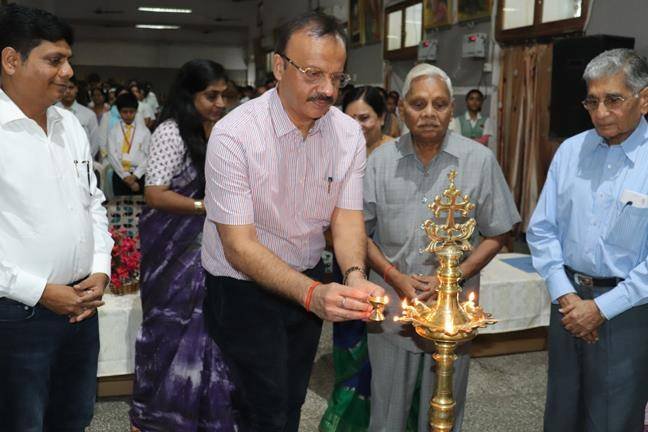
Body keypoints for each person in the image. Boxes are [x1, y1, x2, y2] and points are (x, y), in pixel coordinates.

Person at [201, 11, 385, 432]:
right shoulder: (235, 135)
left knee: (291, 397)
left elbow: (346, 217)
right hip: (242, 285)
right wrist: (312, 294)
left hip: (307, 273)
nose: (328, 90)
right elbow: (239, 247)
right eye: (313, 74)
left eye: (337, 77)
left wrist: (355, 276)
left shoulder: (347, 134)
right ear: (279, 67)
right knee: (257, 407)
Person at [365, 63, 520, 432]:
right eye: (419, 104)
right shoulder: (380, 162)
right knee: (387, 415)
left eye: (439, 104)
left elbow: (499, 231)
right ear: (402, 109)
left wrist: (452, 278)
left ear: (452, 109)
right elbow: (358, 233)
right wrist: (395, 276)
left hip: (453, 313)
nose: (429, 113)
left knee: (444, 413)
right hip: (394, 306)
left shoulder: (478, 161)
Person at [0, 4, 113, 431]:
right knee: (21, 421)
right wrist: (40, 291)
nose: (68, 72)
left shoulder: (69, 124)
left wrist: (99, 268)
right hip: (16, 316)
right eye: (54, 60)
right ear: (12, 60)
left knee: (73, 418)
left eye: (68, 59)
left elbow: (93, 202)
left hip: (80, 309)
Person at [527, 48, 648, 432]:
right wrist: (567, 297)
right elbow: (542, 229)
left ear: (644, 99)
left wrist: (600, 309)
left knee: (613, 419)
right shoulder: (570, 151)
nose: (601, 112)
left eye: (613, 100)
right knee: (561, 413)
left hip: (629, 311)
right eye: (592, 101)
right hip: (567, 303)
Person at [130, 59, 237, 431]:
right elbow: (155, 193)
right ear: (189, 95)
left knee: (211, 330)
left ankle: (206, 413)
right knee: (171, 328)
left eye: (224, 95)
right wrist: (203, 206)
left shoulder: (220, 130)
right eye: (211, 95)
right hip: (173, 249)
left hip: (213, 245)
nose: (220, 103)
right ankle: (161, 415)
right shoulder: (171, 131)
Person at [107, 92, 150, 195]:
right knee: (120, 204)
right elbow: (112, 155)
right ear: (119, 111)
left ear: (136, 111)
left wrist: (135, 176)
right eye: (124, 112)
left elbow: (149, 156)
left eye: (131, 112)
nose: (128, 115)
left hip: (139, 175)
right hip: (119, 175)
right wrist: (125, 176)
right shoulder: (113, 131)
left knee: (140, 203)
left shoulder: (144, 131)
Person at [56, 76, 100, 157]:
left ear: (76, 89)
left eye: (71, 87)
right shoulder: (51, 112)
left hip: (83, 160)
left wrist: (84, 161)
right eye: (64, 88)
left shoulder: (89, 115)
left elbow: (95, 143)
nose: (68, 91)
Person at [343, 85, 394, 155]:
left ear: (382, 117)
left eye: (364, 118)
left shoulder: (397, 152)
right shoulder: (339, 150)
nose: (357, 126)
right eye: (349, 120)